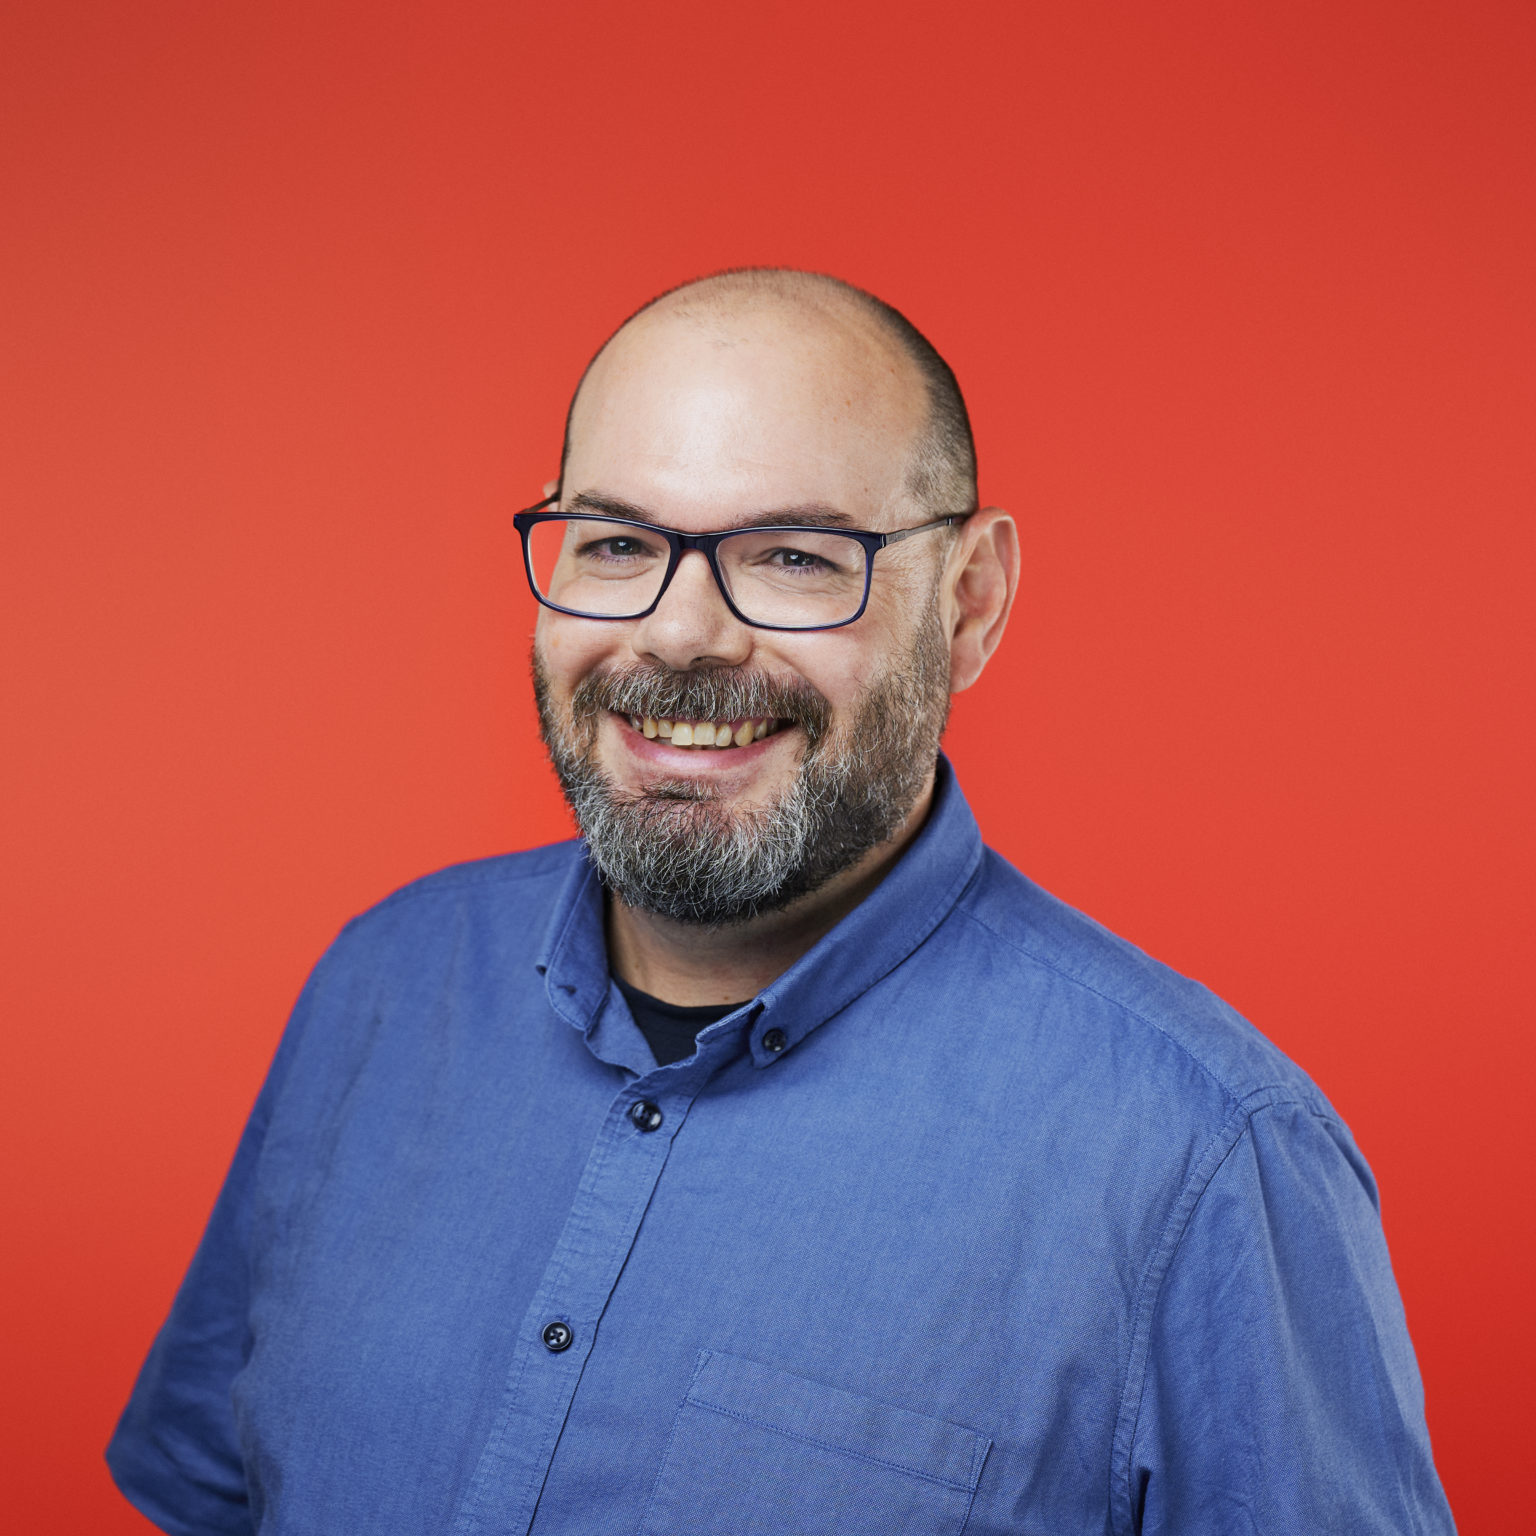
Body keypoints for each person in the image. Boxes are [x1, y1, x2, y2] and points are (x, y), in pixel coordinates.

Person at [108, 269, 1455, 1535]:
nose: (682, 633)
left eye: (798, 557)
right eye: (619, 541)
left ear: (971, 605)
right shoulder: (384, 987)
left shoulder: (1210, 1162)